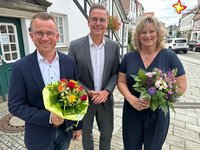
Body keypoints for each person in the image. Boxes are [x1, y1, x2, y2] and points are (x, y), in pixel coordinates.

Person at [8, 12, 82, 150]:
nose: (45, 38)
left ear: (57, 36)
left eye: (50, 33)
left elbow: (77, 97)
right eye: (39, 33)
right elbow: (15, 106)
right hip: (38, 137)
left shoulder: (69, 63)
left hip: (65, 133)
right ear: (31, 36)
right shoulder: (20, 67)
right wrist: (48, 117)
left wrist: (78, 126)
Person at [117, 15, 187, 150]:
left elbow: (182, 84)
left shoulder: (169, 56)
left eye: (151, 31)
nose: (147, 35)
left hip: (158, 114)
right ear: (137, 35)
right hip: (132, 112)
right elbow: (121, 81)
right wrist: (131, 99)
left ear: (158, 34)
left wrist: (159, 100)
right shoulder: (129, 57)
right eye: (143, 32)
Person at [68, 3, 120, 150]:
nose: (98, 23)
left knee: (107, 134)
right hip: (84, 101)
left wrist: (106, 91)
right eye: (94, 19)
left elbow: (115, 73)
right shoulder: (75, 45)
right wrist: (87, 92)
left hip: (105, 100)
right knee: (86, 135)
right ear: (88, 21)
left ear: (107, 22)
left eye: (102, 20)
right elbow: (71, 76)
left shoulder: (114, 46)